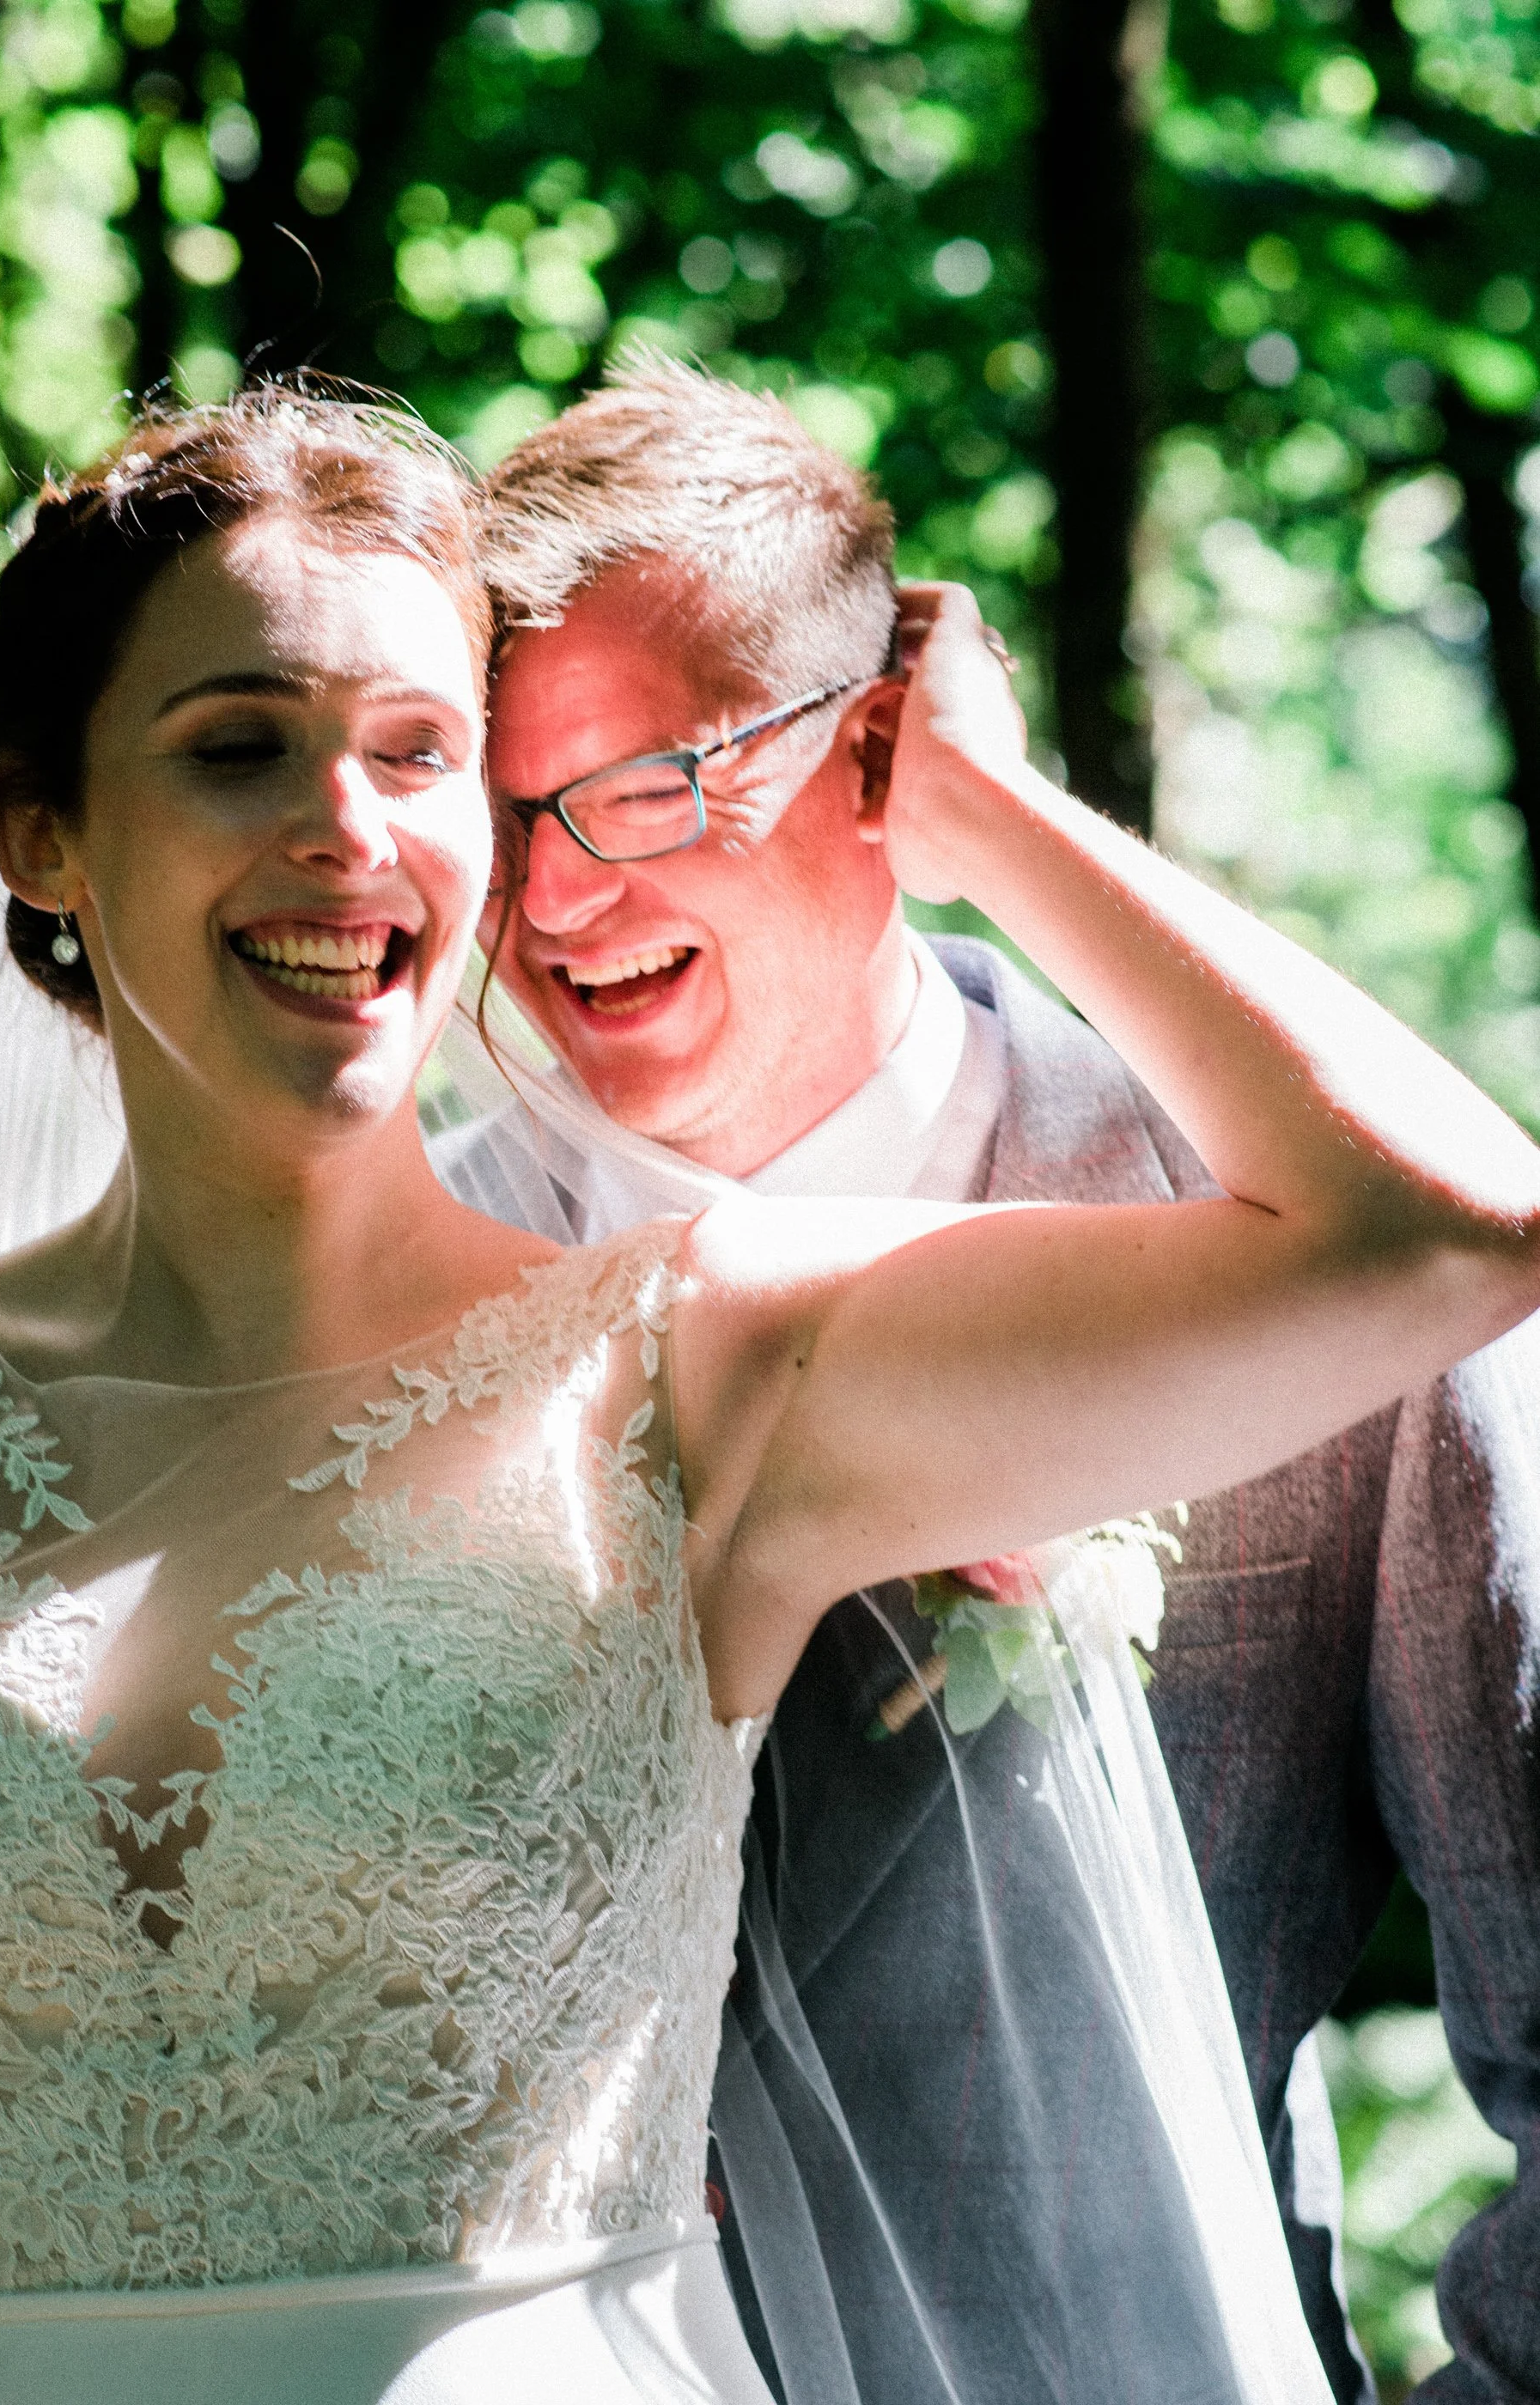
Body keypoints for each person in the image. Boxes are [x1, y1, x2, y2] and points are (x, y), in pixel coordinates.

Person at [0, 382, 1538, 2405]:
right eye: (248, 746)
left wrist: (998, 821)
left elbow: (1459, 1235)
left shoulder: (711, 1347)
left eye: (438, 760)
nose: (379, 832)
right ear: (45, 835)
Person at [432, 357, 1540, 2405]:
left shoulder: (1293, 1250)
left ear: (877, 755)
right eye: (501, 818)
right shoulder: (418, 1289)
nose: (560, 897)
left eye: (655, 782)